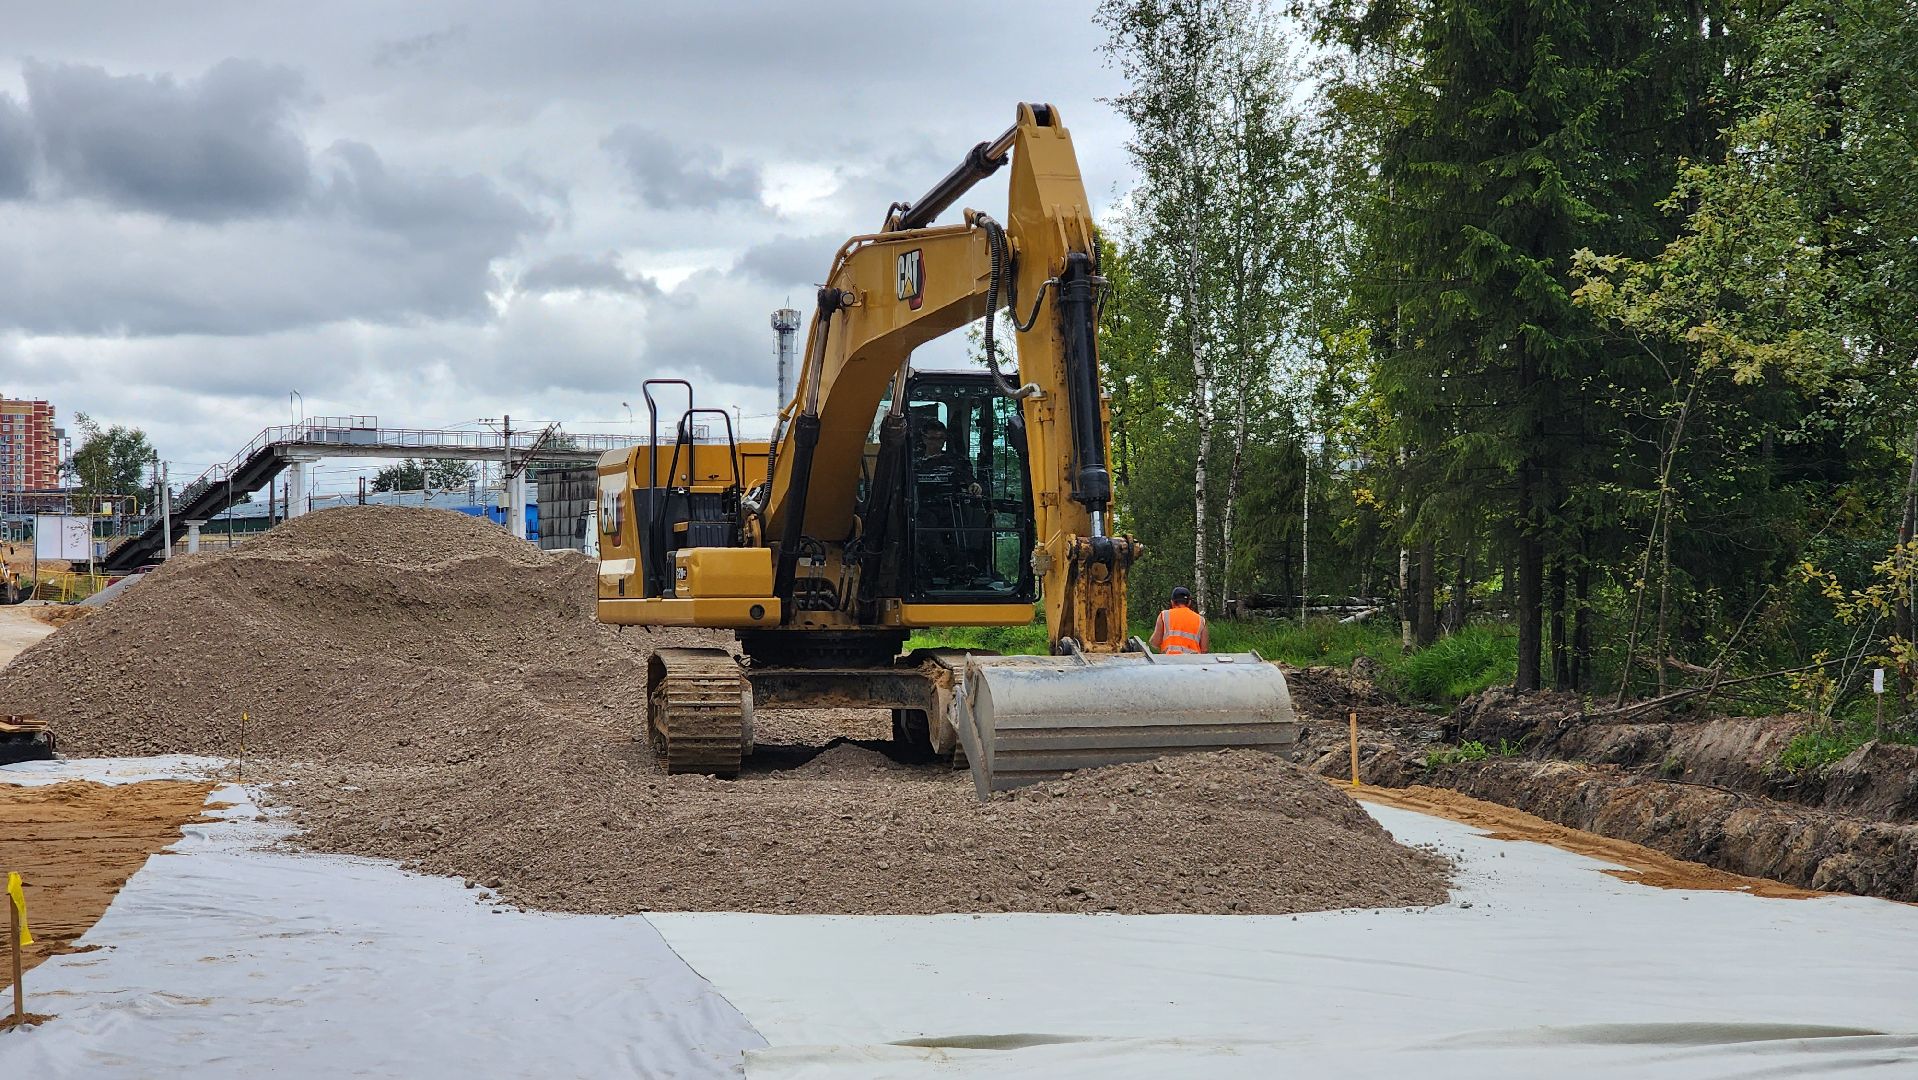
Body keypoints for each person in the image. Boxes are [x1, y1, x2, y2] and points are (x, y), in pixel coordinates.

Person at [914, 418, 983, 584]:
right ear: (924, 439)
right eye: (932, 439)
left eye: (940, 439)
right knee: (928, 529)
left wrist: (973, 485)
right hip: (923, 507)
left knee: (958, 527)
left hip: (949, 505)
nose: (937, 443)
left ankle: (962, 567)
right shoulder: (914, 462)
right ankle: (941, 567)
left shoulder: (954, 461)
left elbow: (968, 477)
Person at [1149, 586, 1208, 654]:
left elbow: (1155, 643)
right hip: (1193, 662)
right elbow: (1204, 650)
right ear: (1189, 603)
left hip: (1170, 661)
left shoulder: (1164, 615)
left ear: (1172, 602)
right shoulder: (1201, 620)